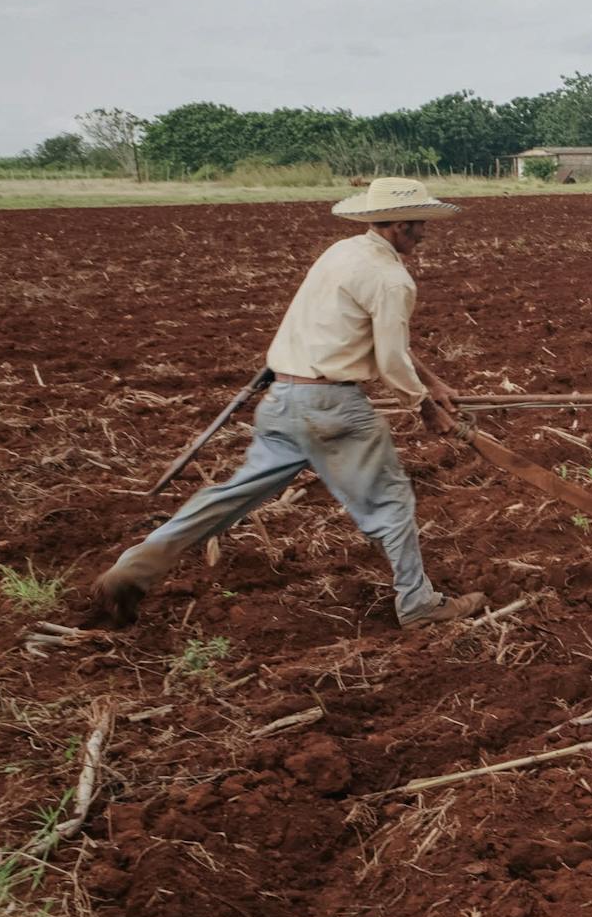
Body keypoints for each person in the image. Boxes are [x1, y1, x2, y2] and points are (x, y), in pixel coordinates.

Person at [92, 177, 488, 630]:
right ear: (399, 225)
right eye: (419, 224)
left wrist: (433, 382)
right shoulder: (391, 278)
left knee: (229, 498)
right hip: (332, 408)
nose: (424, 232)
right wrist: (423, 407)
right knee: (391, 500)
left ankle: (133, 568)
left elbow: (365, 333)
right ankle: (418, 603)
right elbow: (391, 357)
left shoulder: (340, 253)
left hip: (283, 397)